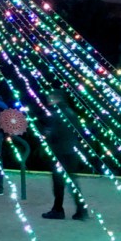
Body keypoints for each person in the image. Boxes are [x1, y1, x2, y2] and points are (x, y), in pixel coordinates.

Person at [40, 89, 87, 220]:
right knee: (71, 181)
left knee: (58, 182)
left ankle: (58, 210)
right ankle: (81, 210)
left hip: (60, 152)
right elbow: (79, 131)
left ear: (57, 98)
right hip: (72, 151)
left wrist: (46, 134)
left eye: (50, 98)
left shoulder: (56, 114)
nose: (48, 101)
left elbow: (54, 133)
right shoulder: (71, 113)